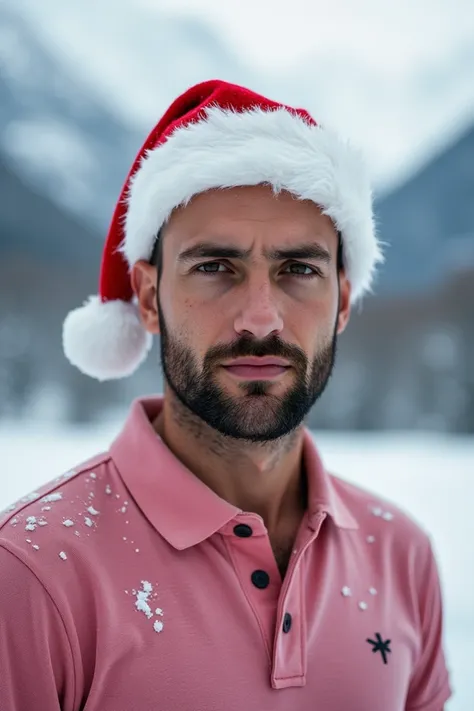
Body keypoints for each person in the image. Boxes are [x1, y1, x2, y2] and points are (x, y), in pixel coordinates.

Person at [0, 80, 452, 710]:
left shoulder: (401, 554)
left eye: (299, 270)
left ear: (343, 301)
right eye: (215, 267)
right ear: (150, 296)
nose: (261, 319)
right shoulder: (28, 574)